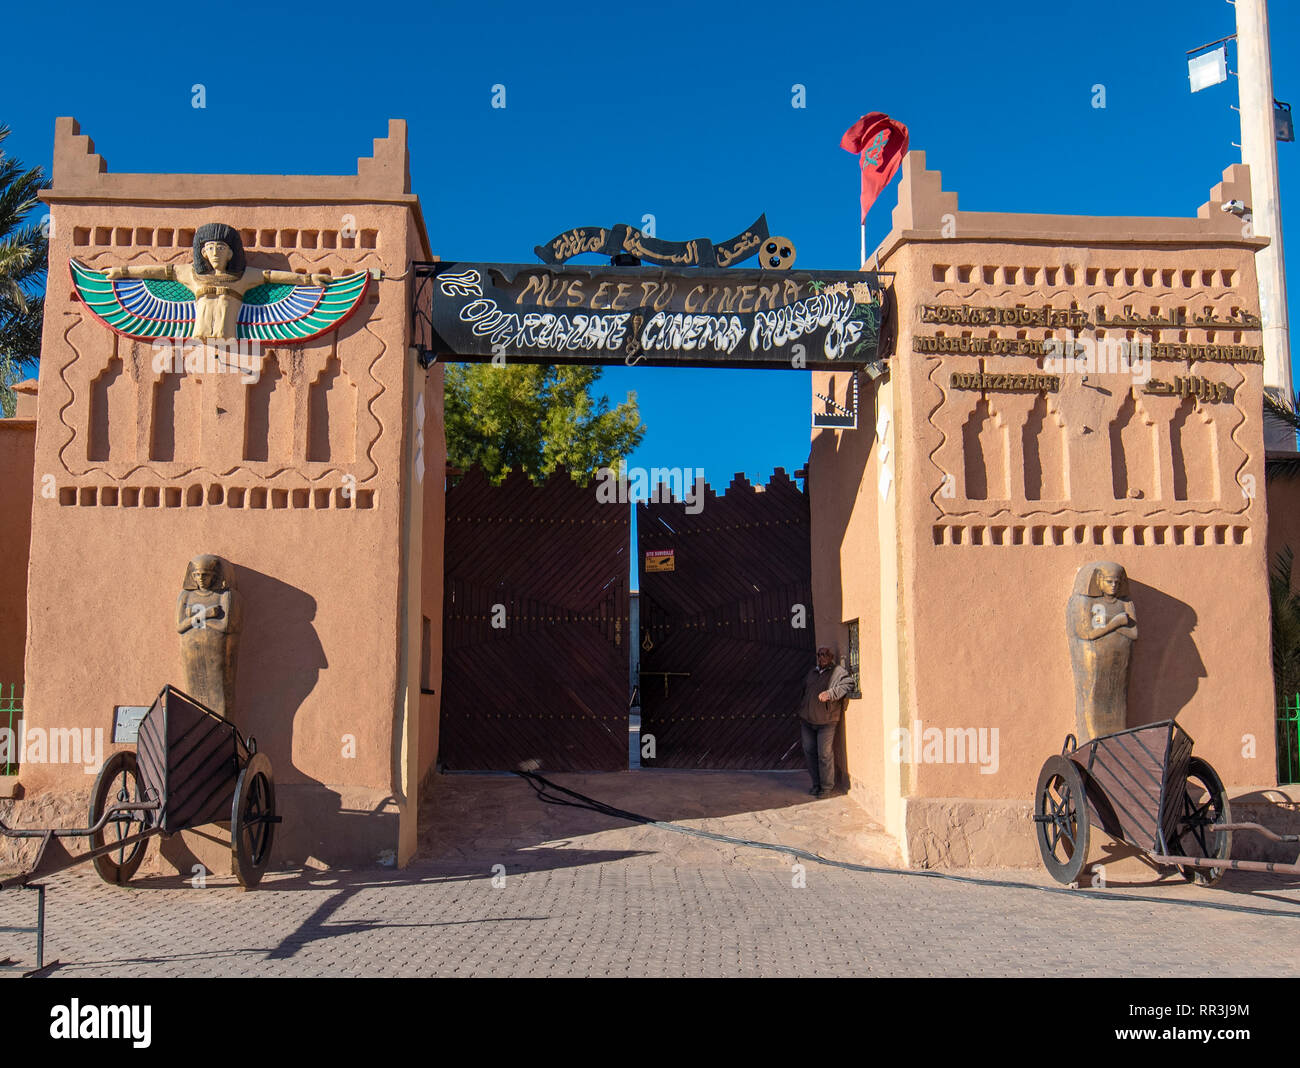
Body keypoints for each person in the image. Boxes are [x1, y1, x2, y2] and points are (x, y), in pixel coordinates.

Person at [105, 223, 330, 340]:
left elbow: (273, 276)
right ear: (203, 253)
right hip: (199, 334)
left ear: (230, 254)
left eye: (220, 248)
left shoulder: (245, 276)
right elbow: (156, 272)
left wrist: (308, 279)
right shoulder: (190, 273)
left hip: (228, 334)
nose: (215, 253)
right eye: (210, 248)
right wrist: (123, 272)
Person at [798, 644, 854, 797]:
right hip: (807, 720)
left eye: (825, 654)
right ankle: (816, 784)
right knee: (810, 752)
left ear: (831, 657)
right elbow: (804, 690)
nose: (822, 657)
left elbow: (849, 684)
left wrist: (831, 693)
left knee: (824, 754)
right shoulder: (812, 672)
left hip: (827, 721)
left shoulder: (838, 672)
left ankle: (826, 788)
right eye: (819, 654)